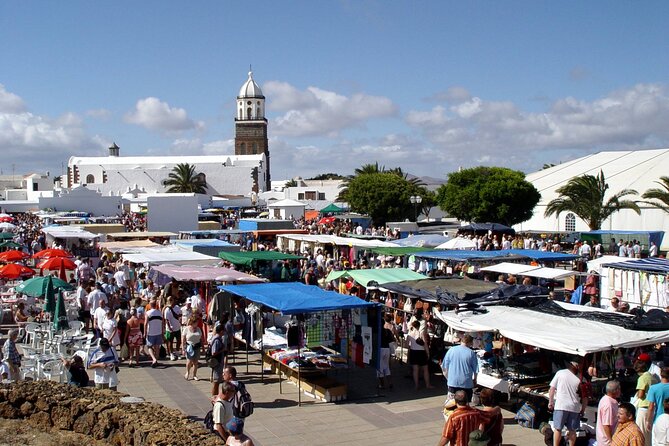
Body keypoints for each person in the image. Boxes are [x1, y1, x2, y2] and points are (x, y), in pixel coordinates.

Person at [548, 360, 588, 446]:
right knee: (572, 430)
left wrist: (550, 402)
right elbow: (585, 397)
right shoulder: (581, 378)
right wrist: (583, 409)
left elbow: (552, 389)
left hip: (561, 406)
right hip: (574, 407)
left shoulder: (560, 373)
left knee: (558, 429)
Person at [441, 334, 479, 402]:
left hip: (453, 382)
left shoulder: (451, 350)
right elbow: (475, 369)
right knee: (466, 404)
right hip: (466, 382)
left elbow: (444, 367)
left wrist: (448, 378)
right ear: (470, 343)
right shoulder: (471, 353)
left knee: (451, 403)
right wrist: (475, 379)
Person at [634, 358, 656, 446]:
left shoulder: (642, 378)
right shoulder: (653, 377)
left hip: (644, 407)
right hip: (652, 406)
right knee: (648, 433)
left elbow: (640, 394)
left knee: (641, 432)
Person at [407, 319, 433, 390]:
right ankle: (427, 385)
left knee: (415, 370)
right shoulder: (421, 333)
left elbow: (407, 345)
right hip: (421, 352)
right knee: (425, 369)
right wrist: (428, 352)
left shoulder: (409, 334)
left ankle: (416, 385)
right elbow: (425, 344)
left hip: (413, 351)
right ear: (419, 326)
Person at [598, 380, 622, 446]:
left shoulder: (606, 399)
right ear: (616, 391)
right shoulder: (608, 404)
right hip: (607, 441)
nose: (620, 391)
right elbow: (606, 425)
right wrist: (611, 441)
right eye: (619, 389)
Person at [378, 313, 397, 390]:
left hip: (380, 349)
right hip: (387, 349)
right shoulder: (388, 331)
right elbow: (392, 339)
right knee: (387, 367)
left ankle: (382, 384)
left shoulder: (378, 332)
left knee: (380, 368)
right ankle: (390, 383)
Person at [646, 368, 669, 432]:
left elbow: (651, 407)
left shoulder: (653, 388)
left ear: (661, 375)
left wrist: (648, 421)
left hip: (658, 419)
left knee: (657, 441)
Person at [144, 299, 164, 368]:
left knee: (149, 346)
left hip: (151, 332)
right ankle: (156, 359)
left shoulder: (148, 313)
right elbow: (162, 323)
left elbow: (145, 323)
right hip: (158, 332)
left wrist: (145, 332)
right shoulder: (160, 313)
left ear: (150, 305)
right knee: (157, 346)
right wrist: (162, 332)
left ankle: (154, 359)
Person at [183, 316, 203, 381]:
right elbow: (183, 339)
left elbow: (201, 339)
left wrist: (203, 348)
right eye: (196, 322)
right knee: (189, 361)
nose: (197, 324)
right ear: (192, 322)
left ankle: (194, 375)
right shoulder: (186, 329)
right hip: (190, 347)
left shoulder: (199, 329)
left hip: (197, 346)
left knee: (195, 362)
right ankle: (187, 372)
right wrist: (183, 349)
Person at [210, 323, 227, 396]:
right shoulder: (217, 340)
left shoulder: (217, 338)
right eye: (223, 331)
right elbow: (214, 352)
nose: (224, 332)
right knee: (216, 382)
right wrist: (222, 350)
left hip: (218, 362)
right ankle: (214, 397)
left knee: (217, 382)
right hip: (217, 362)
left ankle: (215, 396)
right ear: (221, 331)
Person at [163, 296, 182, 361]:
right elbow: (167, 320)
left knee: (179, 340)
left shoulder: (177, 307)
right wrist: (169, 328)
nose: (171, 301)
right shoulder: (167, 310)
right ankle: (171, 354)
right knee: (170, 342)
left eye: (172, 300)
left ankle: (177, 352)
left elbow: (180, 314)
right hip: (170, 329)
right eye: (169, 300)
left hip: (177, 327)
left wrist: (179, 318)